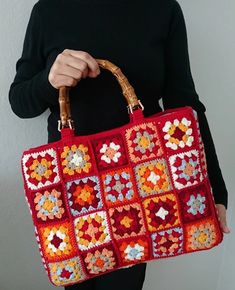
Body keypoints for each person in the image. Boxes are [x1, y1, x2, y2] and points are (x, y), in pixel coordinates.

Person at [8, 0, 230, 289]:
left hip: (142, 187)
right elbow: (20, 102)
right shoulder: (49, 10)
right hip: (73, 188)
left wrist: (214, 188)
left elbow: (186, 107)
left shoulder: (163, 10)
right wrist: (49, 81)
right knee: (76, 279)